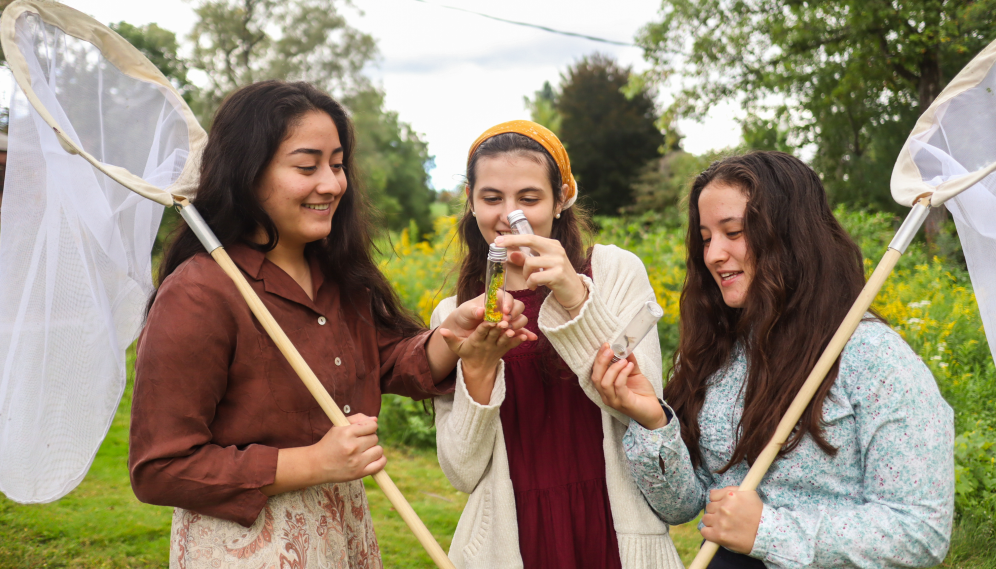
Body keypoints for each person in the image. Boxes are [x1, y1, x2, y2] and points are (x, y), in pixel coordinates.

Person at [128, 81, 534, 568]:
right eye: (307, 166)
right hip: (246, 547)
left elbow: (380, 360)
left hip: (343, 531)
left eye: (337, 164)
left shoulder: (338, 273)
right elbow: (160, 468)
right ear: (248, 172)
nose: (332, 183)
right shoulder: (200, 293)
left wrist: (452, 342)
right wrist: (312, 463)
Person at [591, 151, 955, 568]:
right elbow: (684, 506)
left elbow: (921, 532)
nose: (713, 255)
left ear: (790, 235)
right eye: (707, 238)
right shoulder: (718, 352)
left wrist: (769, 532)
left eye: (733, 232)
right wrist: (653, 420)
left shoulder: (875, 360)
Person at [432, 120, 684, 569]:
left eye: (529, 199)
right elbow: (462, 471)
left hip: (612, 527)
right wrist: (479, 371)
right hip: (513, 539)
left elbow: (643, 408)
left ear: (562, 198)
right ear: (470, 201)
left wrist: (575, 296)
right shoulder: (454, 315)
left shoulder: (616, 273)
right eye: (491, 198)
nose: (510, 216)